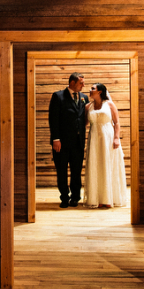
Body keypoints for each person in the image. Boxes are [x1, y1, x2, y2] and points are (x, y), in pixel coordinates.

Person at [83, 83, 128, 209]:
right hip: (94, 139)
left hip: (108, 137)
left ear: (100, 92)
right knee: (96, 165)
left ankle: (109, 198)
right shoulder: (88, 107)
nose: (90, 90)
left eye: (93, 88)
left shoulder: (109, 105)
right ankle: (97, 198)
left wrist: (116, 138)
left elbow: (117, 122)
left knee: (108, 164)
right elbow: (84, 123)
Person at [48, 72, 87, 208]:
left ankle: (75, 197)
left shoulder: (84, 98)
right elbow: (53, 119)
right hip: (62, 143)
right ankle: (64, 197)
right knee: (62, 171)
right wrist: (56, 139)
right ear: (72, 83)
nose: (83, 85)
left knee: (76, 171)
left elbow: (84, 118)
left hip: (78, 142)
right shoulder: (58, 96)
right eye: (81, 82)